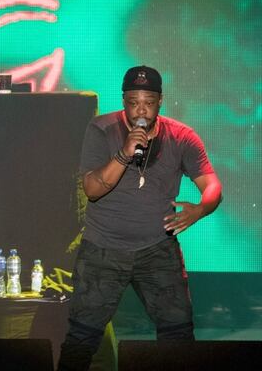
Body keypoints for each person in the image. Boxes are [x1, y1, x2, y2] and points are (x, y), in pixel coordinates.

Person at [56, 66, 223, 370]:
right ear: (124, 101)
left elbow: (212, 186)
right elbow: (92, 190)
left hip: (157, 249)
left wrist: (200, 209)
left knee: (178, 335)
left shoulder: (182, 136)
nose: (141, 110)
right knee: (82, 337)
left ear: (160, 101)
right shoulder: (101, 129)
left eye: (148, 102)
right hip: (103, 249)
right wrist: (124, 152)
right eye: (133, 102)